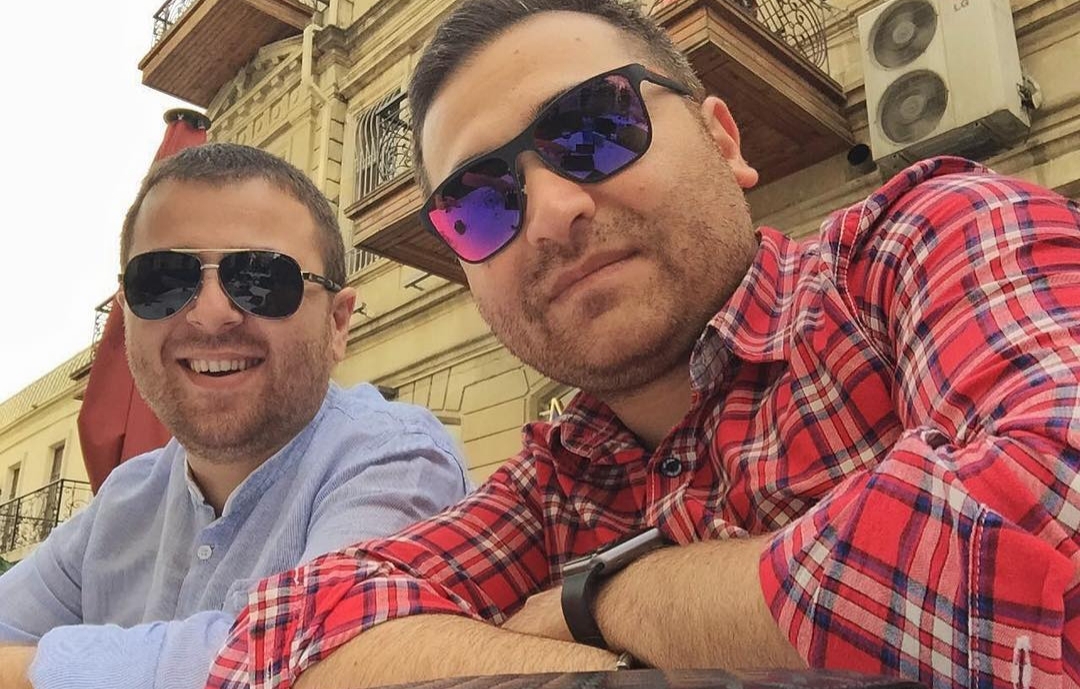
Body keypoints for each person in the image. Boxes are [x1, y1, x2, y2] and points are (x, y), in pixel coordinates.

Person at [205, 1, 1080, 688]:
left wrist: (610, 596)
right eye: (480, 201)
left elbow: (1048, 535)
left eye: (594, 129)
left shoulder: (923, 244)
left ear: (723, 140)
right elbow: (276, 640)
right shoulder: (555, 483)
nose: (552, 214)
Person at [0, 144, 471, 689]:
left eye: (261, 279)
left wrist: (33, 670)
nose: (210, 314)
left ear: (338, 324)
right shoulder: (123, 503)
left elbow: (323, 652)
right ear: (127, 316)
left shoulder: (397, 461)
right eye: (163, 282)